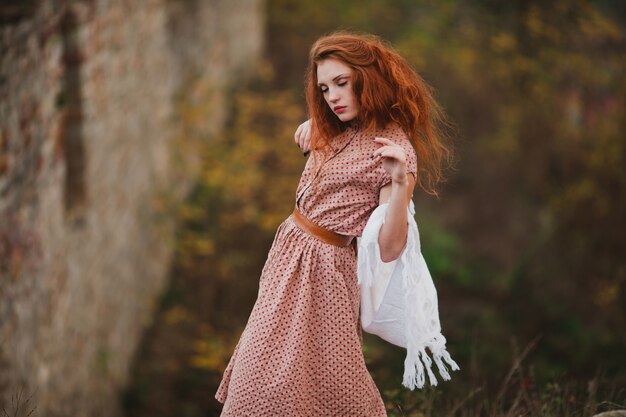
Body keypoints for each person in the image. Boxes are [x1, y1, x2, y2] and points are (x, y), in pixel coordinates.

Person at [215, 31, 452, 417]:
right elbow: (336, 143)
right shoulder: (338, 125)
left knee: (321, 384)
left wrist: (398, 181)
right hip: (287, 262)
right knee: (261, 371)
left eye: (342, 83)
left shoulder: (394, 152)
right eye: (325, 89)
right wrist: (318, 122)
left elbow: (392, 248)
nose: (333, 97)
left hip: (324, 277)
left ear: (367, 78)